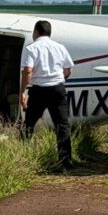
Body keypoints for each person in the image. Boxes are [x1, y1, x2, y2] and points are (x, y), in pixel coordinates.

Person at [20, 20, 75, 169]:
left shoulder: (31, 48)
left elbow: (28, 71)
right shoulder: (60, 47)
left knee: (29, 124)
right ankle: (65, 161)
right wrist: (58, 80)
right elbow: (68, 70)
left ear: (36, 32)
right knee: (62, 125)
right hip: (57, 89)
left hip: (38, 90)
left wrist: (22, 92)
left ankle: (22, 156)